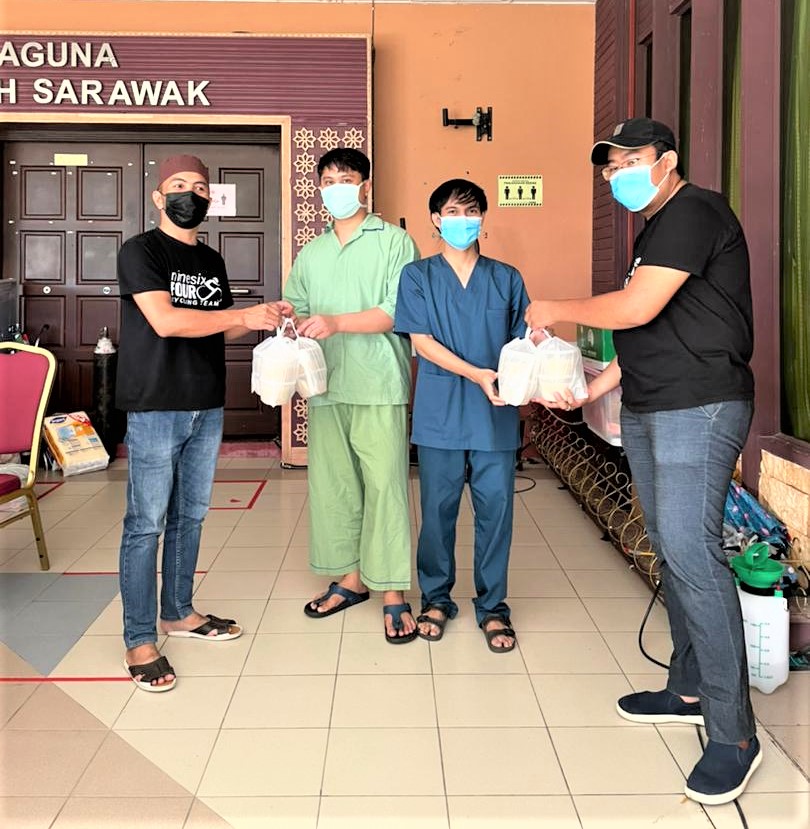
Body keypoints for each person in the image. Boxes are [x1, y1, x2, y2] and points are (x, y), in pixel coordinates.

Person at [525, 117, 760, 805]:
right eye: (609, 165)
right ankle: (688, 688)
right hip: (654, 404)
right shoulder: (653, 232)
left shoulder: (694, 211)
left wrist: (554, 308)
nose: (616, 174)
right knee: (669, 547)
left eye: (630, 160)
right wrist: (592, 390)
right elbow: (650, 331)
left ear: (667, 161)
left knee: (692, 553)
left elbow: (636, 307)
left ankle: (733, 736)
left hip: (699, 406)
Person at [117, 154, 292, 692]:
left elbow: (219, 327)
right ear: (158, 197)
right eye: (178, 185)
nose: (189, 194)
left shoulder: (211, 259)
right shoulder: (140, 251)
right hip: (156, 403)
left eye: (198, 187)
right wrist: (240, 315)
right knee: (146, 522)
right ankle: (139, 638)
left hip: (205, 402)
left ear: (209, 199)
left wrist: (262, 317)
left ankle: (178, 613)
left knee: (190, 516)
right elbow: (166, 321)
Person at [283, 148, 419, 643]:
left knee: (385, 485)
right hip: (325, 383)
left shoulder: (394, 242)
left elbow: (397, 310)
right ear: (319, 189)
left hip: (378, 382)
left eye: (346, 178)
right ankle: (352, 579)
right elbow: (297, 306)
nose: (336, 187)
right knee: (335, 486)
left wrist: (337, 322)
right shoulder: (312, 252)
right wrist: (288, 317)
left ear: (366, 186)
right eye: (328, 180)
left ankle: (392, 590)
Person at [394, 179, 531, 653]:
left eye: (471, 211)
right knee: (437, 513)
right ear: (436, 219)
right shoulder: (417, 276)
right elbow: (421, 342)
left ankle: (493, 607)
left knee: (496, 513)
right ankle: (436, 599)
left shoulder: (506, 278)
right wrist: (477, 373)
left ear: (483, 219)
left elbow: (521, 341)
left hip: (495, 414)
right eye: (452, 211)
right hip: (441, 412)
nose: (462, 220)